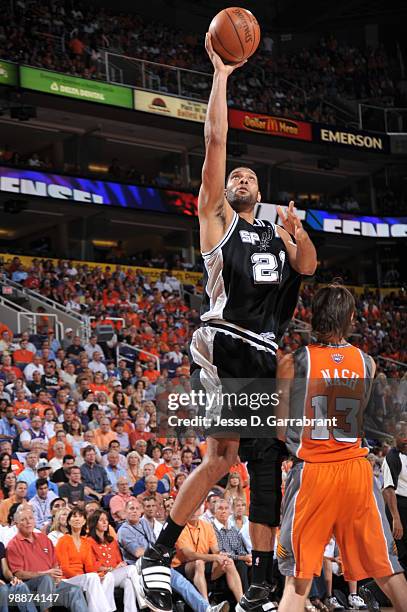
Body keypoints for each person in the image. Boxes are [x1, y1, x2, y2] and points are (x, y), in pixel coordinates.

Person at [137, 32, 317, 612]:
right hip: (226, 341)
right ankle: (160, 553)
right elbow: (215, 141)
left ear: (260, 193)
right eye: (234, 176)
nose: (238, 177)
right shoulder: (219, 223)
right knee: (232, 456)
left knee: (251, 460)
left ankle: (260, 574)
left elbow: (309, 268)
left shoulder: (274, 232)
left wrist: (298, 234)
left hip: (264, 350)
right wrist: (221, 75)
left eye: (248, 177)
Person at [276, 284, 407, 612]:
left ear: (314, 315)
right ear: (350, 317)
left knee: (299, 578)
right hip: (356, 473)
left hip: (313, 474)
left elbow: (279, 429)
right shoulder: (368, 363)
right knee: (387, 568)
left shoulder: (295, 361)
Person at [117, 499, 229, 612]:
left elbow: (156, 544)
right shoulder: (124, 531)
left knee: (183, 584)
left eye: (137, 508)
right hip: (140, 568)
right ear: (125, 511)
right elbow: (138, 553)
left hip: (157, 562)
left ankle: (207, 609)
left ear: (141, 510)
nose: (134, 511)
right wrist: (159, 551)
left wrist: (161, 552)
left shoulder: (144, 523)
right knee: (161, 588)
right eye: (131, 509)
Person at [6, 505, 88, 612]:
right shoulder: (13, 545)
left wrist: (57, 575)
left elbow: (55, 563)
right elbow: (19, 574)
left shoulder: (44, 538)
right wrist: (44, 573)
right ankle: (46, 610)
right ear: (16, 524)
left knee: (75, 590)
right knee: (45, 579)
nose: (28, 522)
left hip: (51, 584)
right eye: (23, 520)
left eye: (31, 518)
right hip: (30, 587)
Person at [55, 507, 114, 612]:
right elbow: (64, 568)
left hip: (84, 579)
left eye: (80, 516)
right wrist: (86, 577)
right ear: (69, 521)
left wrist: (99, 575)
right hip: (67, 579)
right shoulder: (63, 540)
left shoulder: (85, 542)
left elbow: (89, 567)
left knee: (108, 576)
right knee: (92, 578)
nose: (77, 519)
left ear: (84, 521)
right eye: (74, 516)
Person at [87, 509, 139, 612]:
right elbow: (92, 564)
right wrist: (112, 568)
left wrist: (121, 565)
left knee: (128, 582)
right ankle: (146, 601)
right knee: (132, 568)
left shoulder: (112, 541)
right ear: (94, 522)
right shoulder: (88, 541)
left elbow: (119, 561)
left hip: (116, 575)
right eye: (101, 520)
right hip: (103, 576)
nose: (105, 522)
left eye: (106, 520)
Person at [382, 421, 407, 571]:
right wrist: (396, 519)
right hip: (398, 507)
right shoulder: (392, 457)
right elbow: (388, 490)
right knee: (402, 555)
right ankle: (374, 591)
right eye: (402, 435)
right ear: (394, 437)